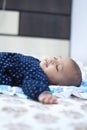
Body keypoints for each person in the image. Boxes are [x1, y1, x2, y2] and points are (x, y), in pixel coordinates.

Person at [0, 52, 82, 104]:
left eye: (57, 67)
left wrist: (43, 93)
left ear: (57, 85)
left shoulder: (39, 75)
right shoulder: (36, 62)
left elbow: (32, 84)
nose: (52, 60)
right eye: (56, 58)